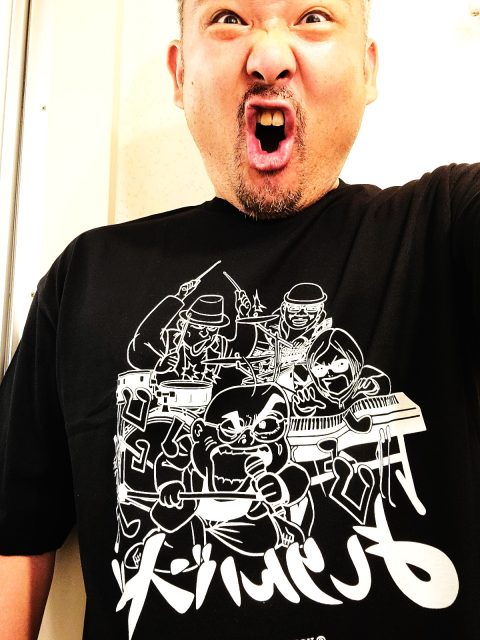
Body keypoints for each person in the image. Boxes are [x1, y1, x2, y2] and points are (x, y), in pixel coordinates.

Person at [0, 1, 478, 640]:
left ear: (367, 69)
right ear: (180, 75)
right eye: (229, 17)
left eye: (313, 16)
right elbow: (14, 533)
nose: (269, 56)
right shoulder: (85, 278)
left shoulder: (443, 228)